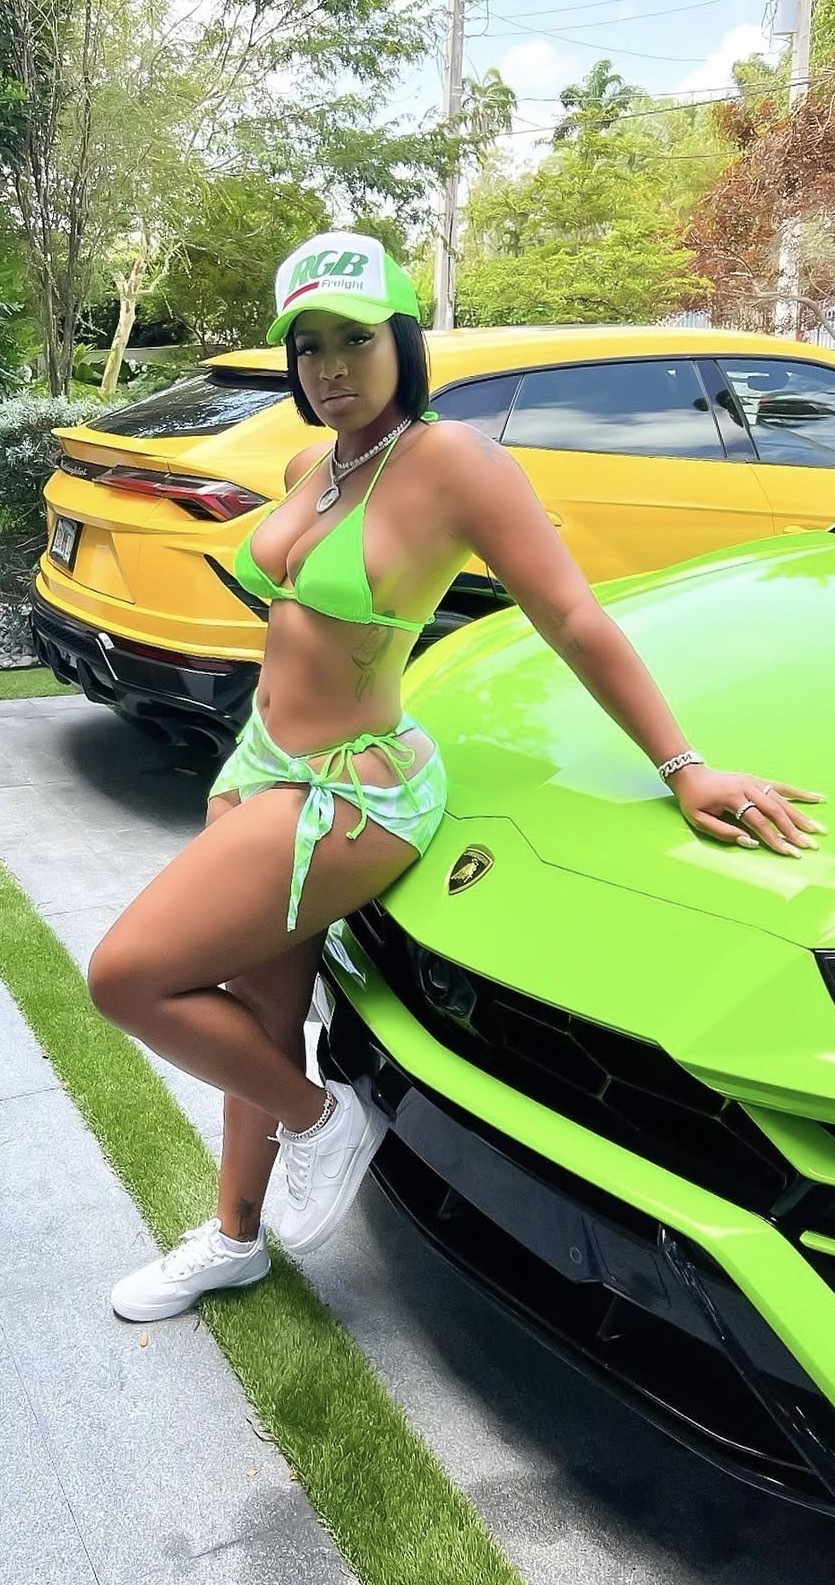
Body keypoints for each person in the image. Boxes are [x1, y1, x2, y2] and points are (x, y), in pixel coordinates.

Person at [89, 231, 826, 1323]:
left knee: (126, 976)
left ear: (403, 337)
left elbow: (572, 616)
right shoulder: (311, 466)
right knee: (258, 1008)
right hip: (261, 763)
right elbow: (294, 615)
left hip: (350, 790)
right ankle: (233, 1238)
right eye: (308, 345)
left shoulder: (456, 465)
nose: (329, 367)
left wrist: (685, 768)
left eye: (354, 338)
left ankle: (321, 1118)